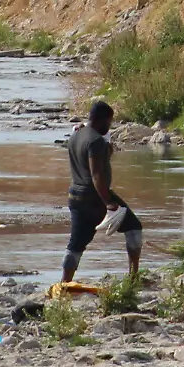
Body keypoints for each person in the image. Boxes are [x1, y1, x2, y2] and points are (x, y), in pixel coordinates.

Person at [62, 101, 136, 283]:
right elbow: (96, 175)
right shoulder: (95, 141)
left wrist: (107, 152)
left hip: (75, 196)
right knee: (134, 228)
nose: (109, 127)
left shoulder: (75, 136)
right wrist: (108, 202)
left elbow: (86, 164)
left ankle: (64, 284)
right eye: (109, 122)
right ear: (101, 120)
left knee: (76, 244)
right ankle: (134, 277)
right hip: (95, 197)